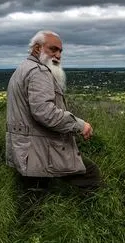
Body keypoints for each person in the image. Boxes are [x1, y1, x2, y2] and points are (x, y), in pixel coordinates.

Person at [6, 30, 102, 194]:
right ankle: (91, 214)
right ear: (37, 49)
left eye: (60, 51)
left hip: (26, 149)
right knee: (91, 174)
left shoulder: (21, 69)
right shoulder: (39, 72)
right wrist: (80, 125)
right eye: (53, 49)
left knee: (33, 197)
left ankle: (37, 218)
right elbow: (45, 112)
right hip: (39, 150)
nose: (58, 55)